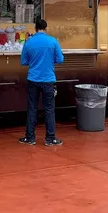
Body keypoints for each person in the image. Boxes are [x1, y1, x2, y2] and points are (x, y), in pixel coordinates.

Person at [19, 18, 64, 146]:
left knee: (32, 108)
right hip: (48, 79)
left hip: (33, 79)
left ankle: (30, 138)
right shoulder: (53, 41)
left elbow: (23, 62)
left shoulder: (29, 42)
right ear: (46, 28)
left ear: (35, 28)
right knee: (49, 109)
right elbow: (60, 59)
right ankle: (50, 139)